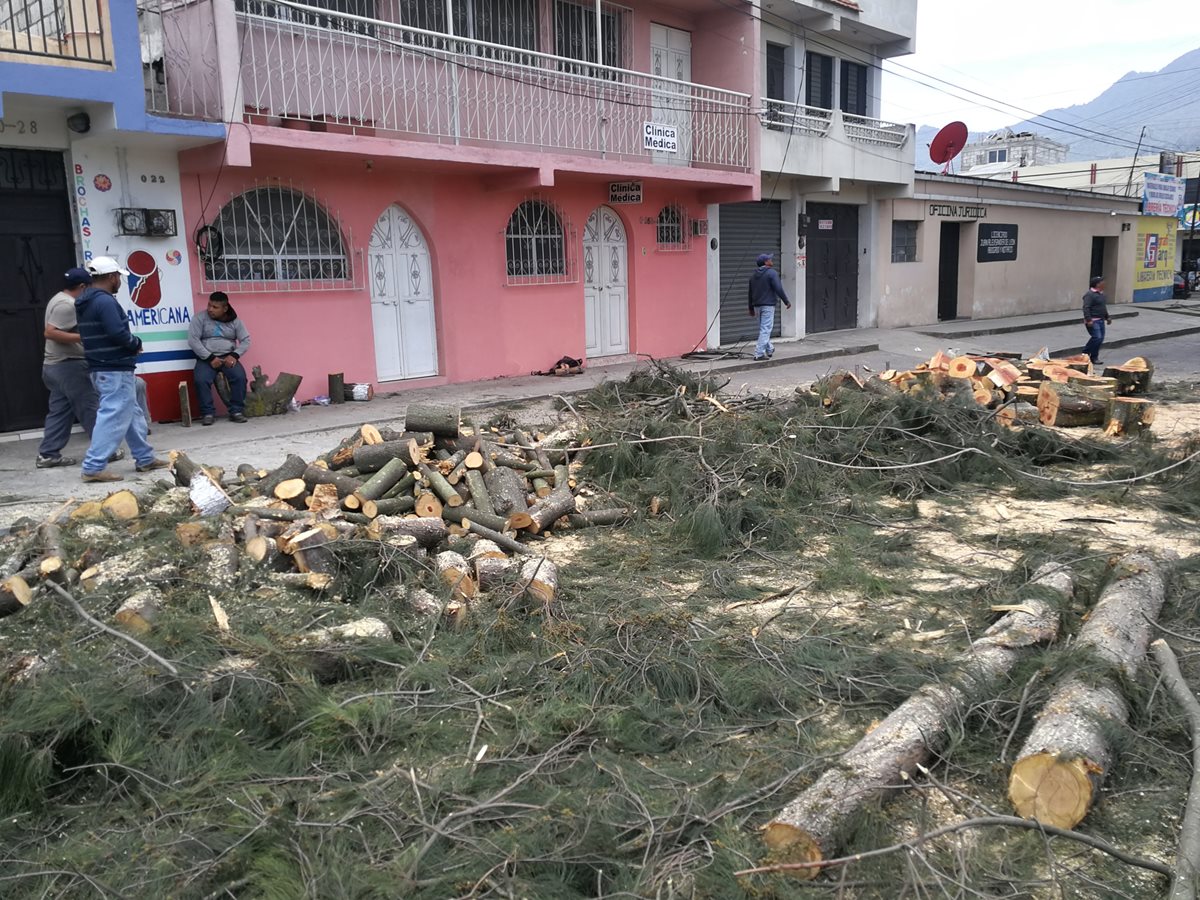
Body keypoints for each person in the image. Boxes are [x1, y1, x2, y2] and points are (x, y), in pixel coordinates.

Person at [75, 256, 168, 483]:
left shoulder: (86, 301)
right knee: (113, 415)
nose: (119, 281)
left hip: (105, 366)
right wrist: (135, 343)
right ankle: (93, 466)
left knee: (131, 411)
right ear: (111, 277)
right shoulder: (105, 302)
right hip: (113, 367)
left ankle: (144, 458)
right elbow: (117, 332)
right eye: (118, 277)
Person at [35, 267, 124, 469]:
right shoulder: (67, 305)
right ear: (84, 286)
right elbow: (50, 333)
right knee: (90, 407)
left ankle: (48, 454)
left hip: (54, 366)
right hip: (68, 366)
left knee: (60, 412)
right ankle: (105, 451)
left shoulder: (57, 299)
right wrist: (85, 337)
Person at [188, 291, 251, 426]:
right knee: (201, 380)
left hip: (228, 357)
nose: (210, 309)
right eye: (209, 305)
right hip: (207, 357)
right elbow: (193, 341)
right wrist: (210, 357)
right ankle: (208, 413)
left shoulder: (235, 321)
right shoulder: (199, 318)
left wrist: (234, 356)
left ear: (225, 308)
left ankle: (236, 411)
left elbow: (246, 341)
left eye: (215, 307)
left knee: (240, 378)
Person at [748, 252, 791, 361]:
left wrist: (751, 308)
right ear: (766, 262)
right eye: (769, 259)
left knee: (763, 329)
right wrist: (786, 301)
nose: (772, 260)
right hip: (768, 305)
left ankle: (770, 349)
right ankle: (759, 353)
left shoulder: (753, 275)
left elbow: (750, 292)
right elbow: (778, 288)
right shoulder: (771, 273)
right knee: (765, 329)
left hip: (757, 306)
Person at [1082, 275, 1112, 366]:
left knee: (1100, 339)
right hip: (1093, 321)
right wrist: (1089, 319)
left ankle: (1094, 357)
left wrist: (1107, 317)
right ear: (1097, 284)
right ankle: (1085, 353)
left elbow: (1103, 307)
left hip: (1101, 320)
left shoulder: (1101, 294)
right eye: (1102, 282)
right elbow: (1086, 308)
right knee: (1097, 337)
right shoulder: (1089, 295)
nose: (1104, 284)